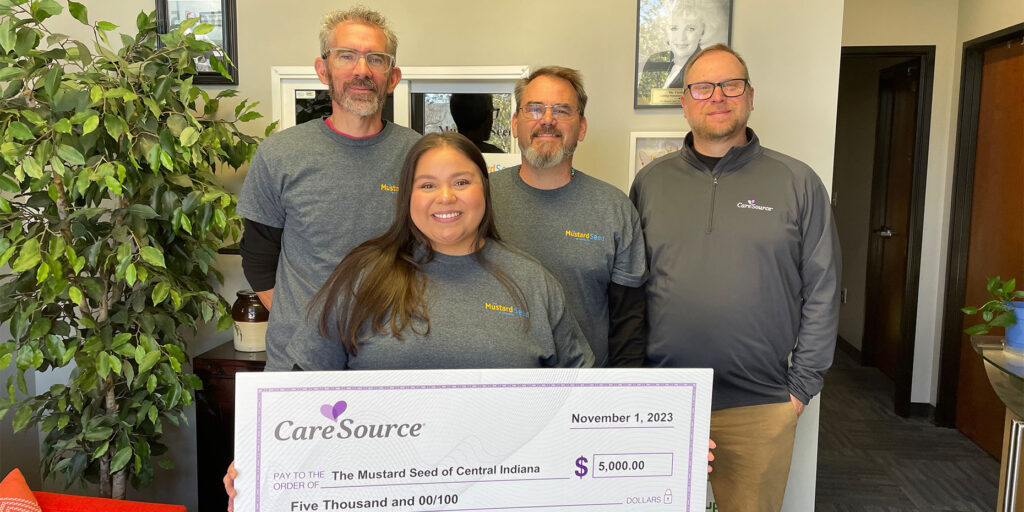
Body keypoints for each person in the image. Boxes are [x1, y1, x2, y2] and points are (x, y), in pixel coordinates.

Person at [223, 132, 595, 511]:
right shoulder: (363, 276)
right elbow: (301, 389)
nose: (445, 197)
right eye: (428, 185)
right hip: (375, 498)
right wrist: (259, 465)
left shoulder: (533, 283)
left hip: (505, 498)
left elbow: (582, 397)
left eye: (461, 182)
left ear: (485, 189)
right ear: (408, 197)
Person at [630, 44, 841, 512]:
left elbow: (823, 290)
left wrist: (800, 388)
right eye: (702, 87)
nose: (718, 97)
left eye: (732, 85)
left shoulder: (797, 181)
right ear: (684, 101)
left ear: (750, 98)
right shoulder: (650, 183)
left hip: (761, 405)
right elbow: (632, 289)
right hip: (663, 400)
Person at [237, 7, 421, 372]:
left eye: (376, 59)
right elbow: (258, 257)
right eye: (347, 56)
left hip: (394, 360)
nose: (362, 70)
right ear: (323, 70)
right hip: (299, 365)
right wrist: (310, 327)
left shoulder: (418, 155)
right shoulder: (280, 154)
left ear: (393, 76)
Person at [489, 66, 647, 367]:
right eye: (535, 109)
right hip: (495, 389)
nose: (547, 120)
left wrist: (621, 395)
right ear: (514, 123)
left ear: (582, 127)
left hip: (583, 393)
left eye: (562, 111)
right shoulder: (479, 201)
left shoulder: (614, 209)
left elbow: (630, 322)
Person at [637, 5, 704, 103]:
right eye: (674, 28)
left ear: (701, 33)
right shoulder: (656, 59)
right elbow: (643, 99)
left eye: (690, 29)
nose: (681, 38)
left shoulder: (705, 68)